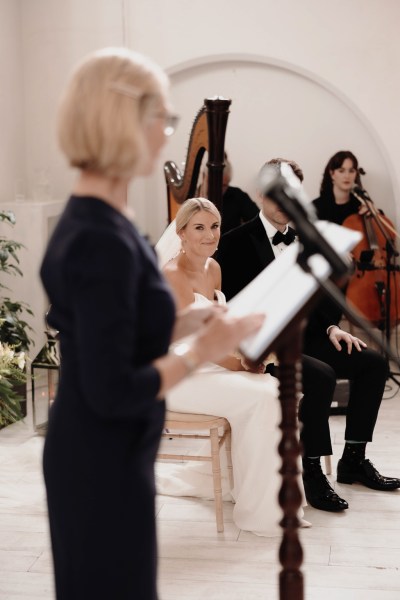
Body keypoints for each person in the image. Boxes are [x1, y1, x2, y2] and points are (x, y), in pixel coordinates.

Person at [39, 47, 264, 600]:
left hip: (110, 450)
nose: (166, 134)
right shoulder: (99, 239)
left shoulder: (109, 221)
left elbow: (120, 331)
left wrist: (190, 320)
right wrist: (203, 347)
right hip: (99, 457)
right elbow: (114, 388)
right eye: (160, 118)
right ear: (120, 121)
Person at [217, 157, 400, 514]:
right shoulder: (234, 243)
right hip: (266, 348)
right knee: (321, 376)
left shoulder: (308, 238)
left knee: (373, 364)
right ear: (260, 194)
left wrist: (332, 326)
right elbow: (234, 308)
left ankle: (353, 460)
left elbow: (320, 296)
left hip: (310, 337)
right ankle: (312, 473)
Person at [155, 197, 309, 536]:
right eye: (199, 228)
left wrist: (248, 353)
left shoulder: (214, 268)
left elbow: (219, 327)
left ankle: (268, 497)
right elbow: (190, 342)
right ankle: (261, 512)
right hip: (184, 373)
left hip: (213, 366)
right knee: (267, 397)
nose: (210, 235)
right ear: (181, 233)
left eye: (214, 227)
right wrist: (241, 365)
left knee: (279, 391)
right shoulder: (172, 275)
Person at [197, 151, 259, 233]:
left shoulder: (237, 195)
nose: (218, 189)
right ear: (205, 177)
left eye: (223, 185)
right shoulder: (193, 196)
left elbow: (258, 222)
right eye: (215, 183)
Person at [312, 150, 365, 224]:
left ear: (356, 174)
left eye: (351, 171)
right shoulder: (315, 208)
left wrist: (374, 213)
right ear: (332, 174)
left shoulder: (360, 207)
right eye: (341, 171)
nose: (347, 176)